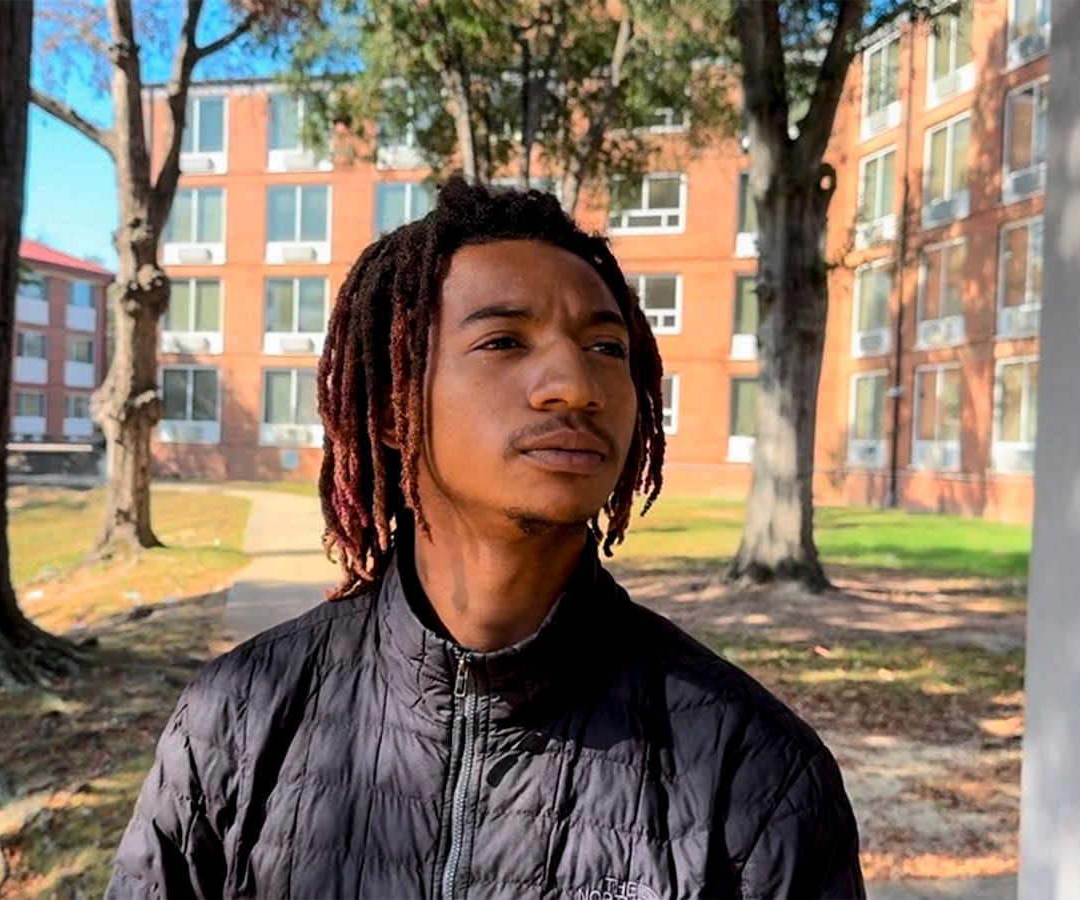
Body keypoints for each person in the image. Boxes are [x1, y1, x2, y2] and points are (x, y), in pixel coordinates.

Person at [107, 178, 864, 899]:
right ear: (394, 407)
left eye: (607, 348)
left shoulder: (756, 768)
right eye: (504, 341)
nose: (575, 383)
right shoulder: (235, 719)